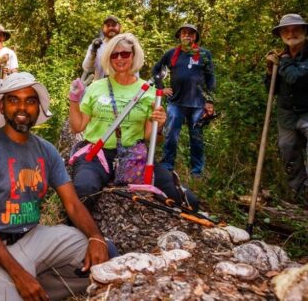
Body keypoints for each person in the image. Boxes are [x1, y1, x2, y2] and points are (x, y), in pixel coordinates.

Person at [0, 72, 111, 300]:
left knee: (103, 256)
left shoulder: (47, 151)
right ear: (2, 107)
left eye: (30, 101)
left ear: (38, 109)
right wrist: (17, 273)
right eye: (13, 100)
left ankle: (36, 282)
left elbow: (72, 204)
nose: (22, 107)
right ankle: (19, 282)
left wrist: (96, 237)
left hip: (36, 237)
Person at [68, 33, 198, 210]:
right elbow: (77, 127)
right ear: (108, 58)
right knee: (84, 190)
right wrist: (74, 100)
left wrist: (159, 126)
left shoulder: (149, 91)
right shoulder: (96, 88)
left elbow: (151, 138)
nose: (119, 58)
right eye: (114, 54)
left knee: (185, 199)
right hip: (98, 154)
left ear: (134, 55)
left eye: (125, 54)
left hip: (134, 156)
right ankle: (81, 234)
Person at [265, 14, 308, 213]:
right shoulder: (280, 58)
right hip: (287, 114)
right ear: (281, 34)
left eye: (295, 29)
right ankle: (298, 190)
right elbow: (271, 89)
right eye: (286, 30)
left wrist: (284, 60)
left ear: (304, 31)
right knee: (287, 148)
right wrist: (270, 70)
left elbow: (297, 78)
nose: (291, 33)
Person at [151, 24, 216, 177]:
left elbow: (210, 78)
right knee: (171, 135)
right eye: (184, 33)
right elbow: (156, 70)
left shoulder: (204, 54)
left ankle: (196, 171)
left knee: (197, 138)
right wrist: (161, 87)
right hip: (176, 102)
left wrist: (210, 101)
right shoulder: (172, 53)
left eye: (191, 34)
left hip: (198, 104)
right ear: (179, 36)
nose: (187, 36)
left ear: (195, 37)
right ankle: (167, 166)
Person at [81, 15, 122, 82]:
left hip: (121, 87)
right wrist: (93, 52)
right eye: (108, 25)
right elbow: (87, 68)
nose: (111, 27)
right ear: (103, 28)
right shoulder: (95, 46)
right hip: (100, 89)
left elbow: (134, 70)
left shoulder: (127, 45)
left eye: (114, 25)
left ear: (120, 27)